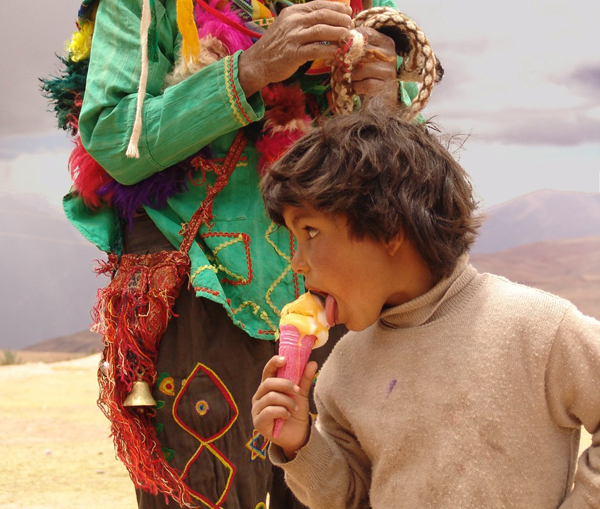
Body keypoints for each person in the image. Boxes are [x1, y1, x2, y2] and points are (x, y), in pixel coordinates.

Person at [42, 0, 415, 509]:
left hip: (333, 300)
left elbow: (371, 133)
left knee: (343, 486)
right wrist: (248, 71)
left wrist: (385, 96)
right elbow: (111, 137)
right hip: (199, 303)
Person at [253, 106, 600, 508]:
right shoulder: (342, 370)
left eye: (310, 231)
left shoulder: (538, 329)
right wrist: (301, 445)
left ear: (388, 229)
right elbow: (348, 497)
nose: (296, 262)